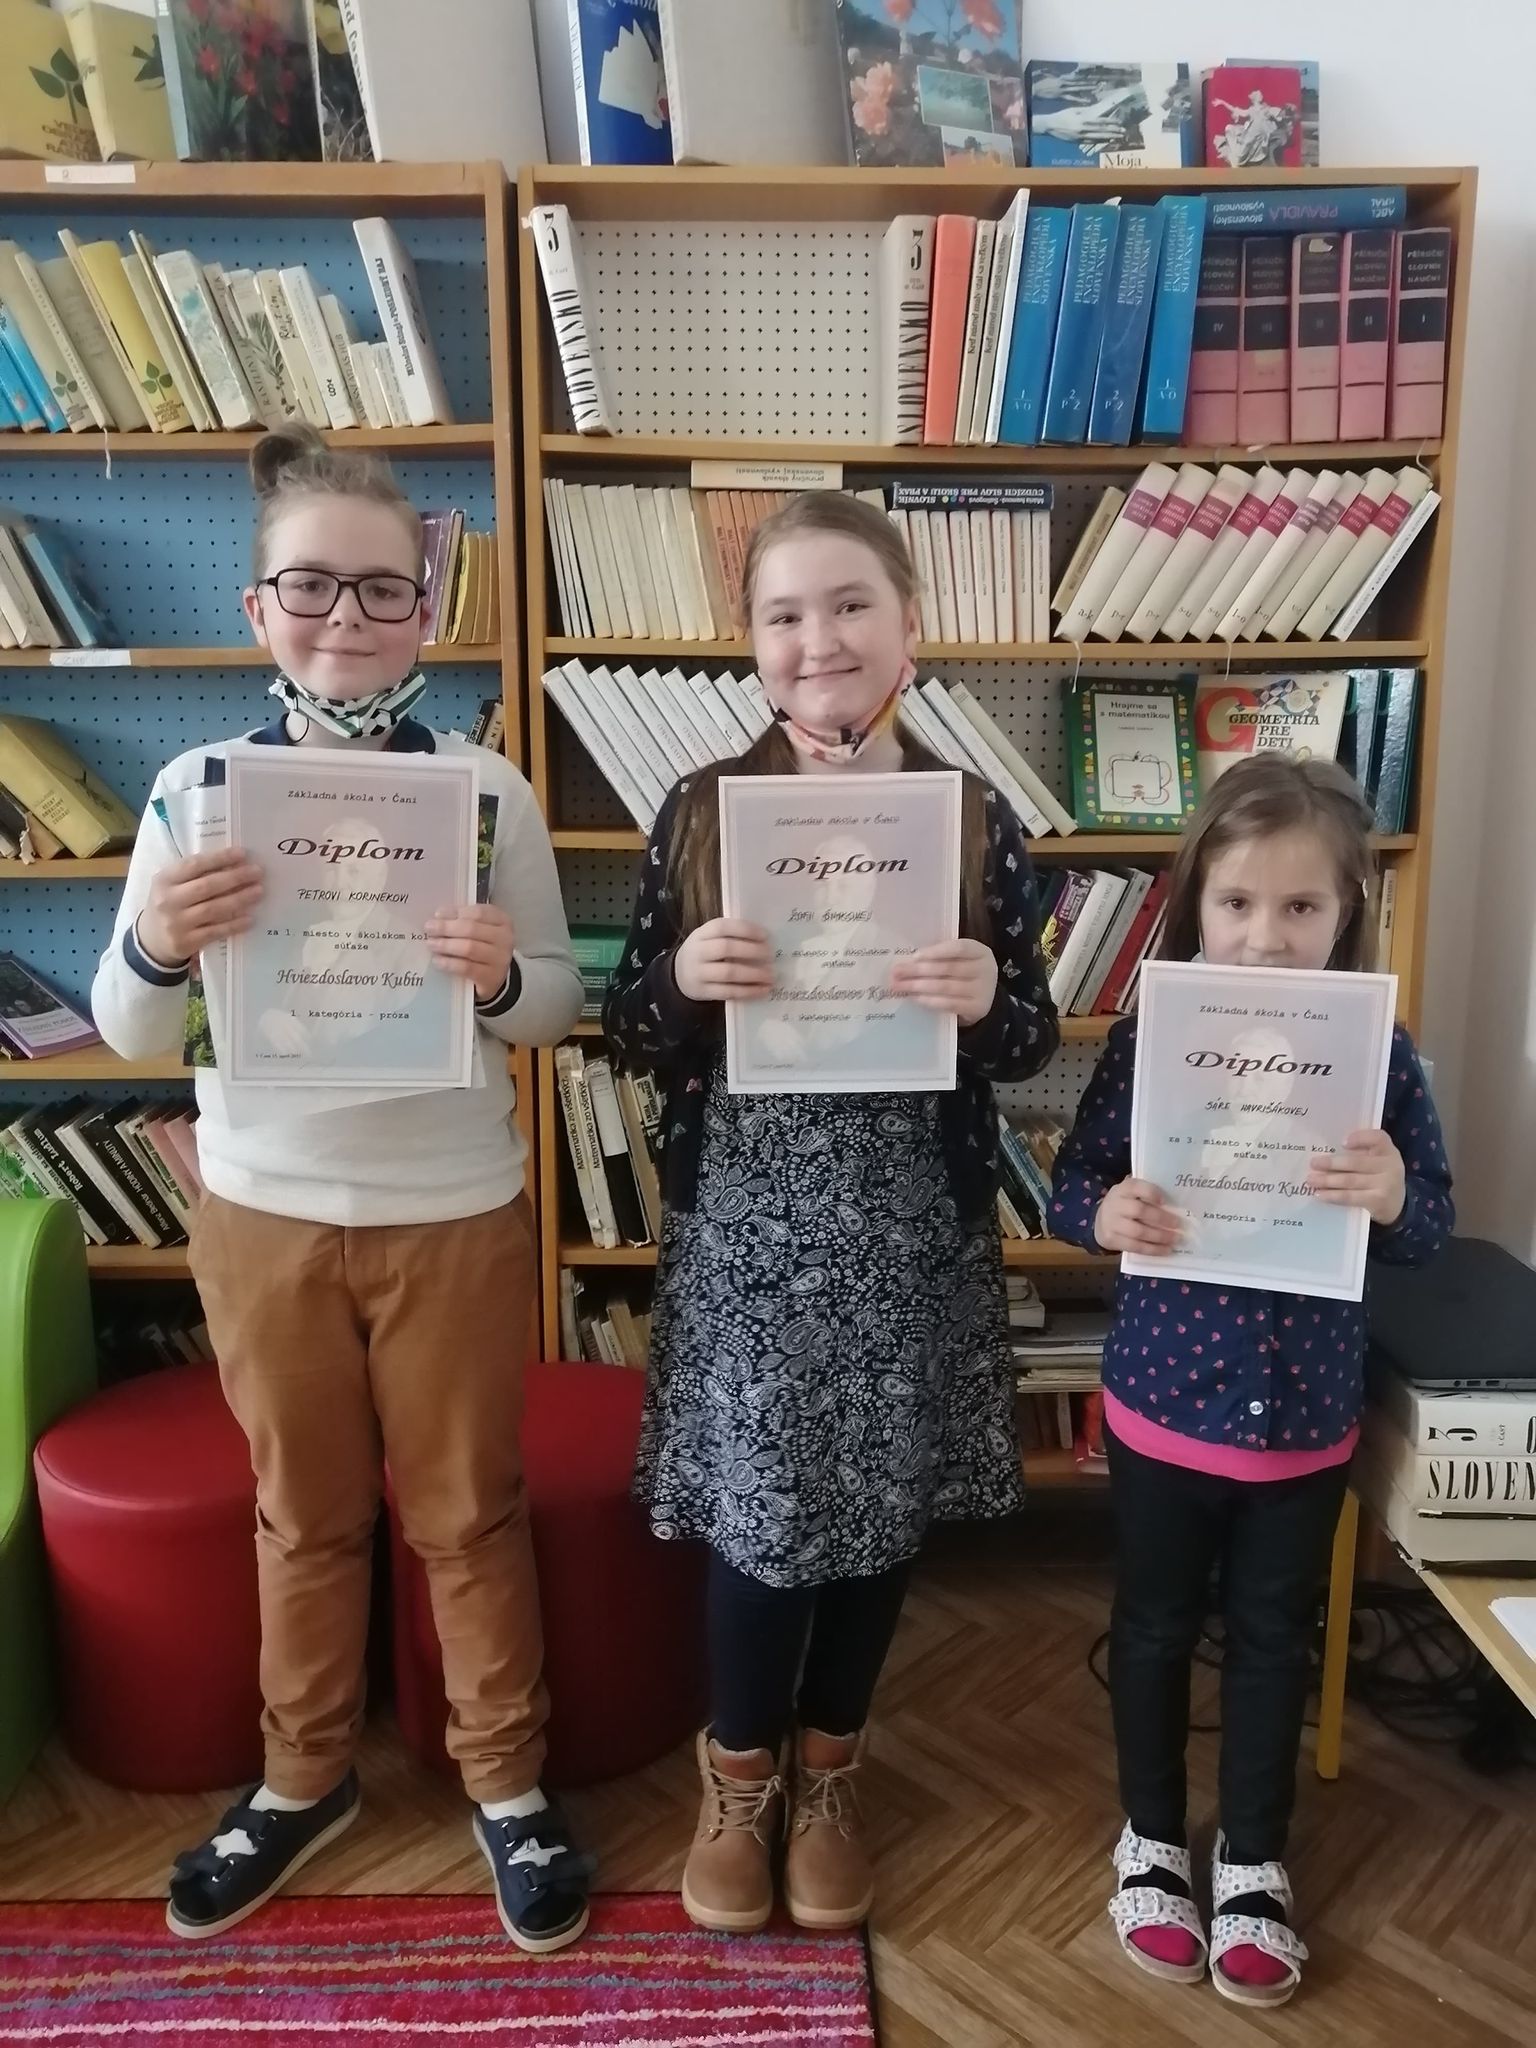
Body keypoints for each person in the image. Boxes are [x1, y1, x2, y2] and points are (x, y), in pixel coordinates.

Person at [91, 425, 592, 1952]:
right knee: (302, 1517)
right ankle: (303, 1775)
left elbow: (555, 1005)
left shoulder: (485, 790)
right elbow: (130, 1030)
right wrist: (162, 943)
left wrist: (500, 977)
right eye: (311, 585)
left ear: (426, 611)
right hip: (264, 1212)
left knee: (467, 1514)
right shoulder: (196, 790)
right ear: (258, 607)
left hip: (451, 1213)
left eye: (382, 590)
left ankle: (507, 1785)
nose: (347, 618)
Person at [602, 492, 1059, 1934]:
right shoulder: (700, 810)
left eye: (851, 604)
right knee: (761, 1515)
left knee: (880, 1510)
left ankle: (832, 1771)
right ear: (752, 643)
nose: (821, 639)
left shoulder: (975, 815)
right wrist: (683, 982)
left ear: (908, 626)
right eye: (785, 613)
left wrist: (989, 1000)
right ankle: (739, 1778)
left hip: (911, 1221)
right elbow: (629, 1025)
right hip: (752, 1224)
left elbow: (1033, 1036)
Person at [1049, 754, 1453, 2007]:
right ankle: (1151, 1838)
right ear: (1194, 907)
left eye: (1300, 907)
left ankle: (1256, 1857)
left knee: (1278, 1635)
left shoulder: (1379, 1057)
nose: (1266, 936)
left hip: (1305, 1418)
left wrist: (1393, 1193)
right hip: (1164, 1406)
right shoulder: (1152, 1041)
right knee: (1155, 1625)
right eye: (1236, 903)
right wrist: (1104, 1211)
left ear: (1348, 914)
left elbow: (1432, 1225)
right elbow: (1074, 1183)